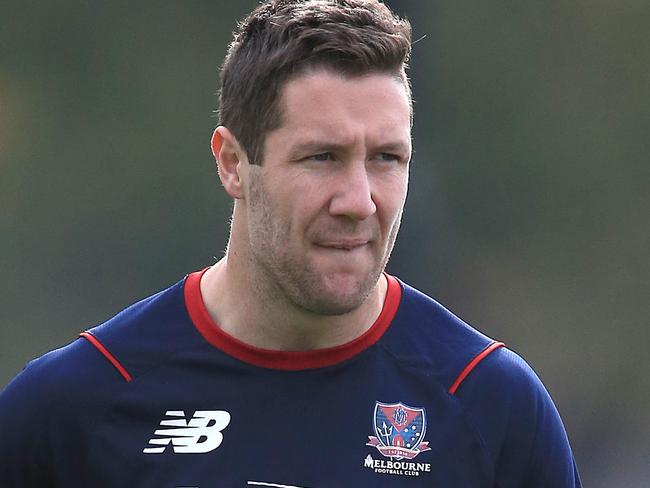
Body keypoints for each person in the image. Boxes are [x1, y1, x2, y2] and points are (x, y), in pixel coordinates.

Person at [0, 0, 581, 486]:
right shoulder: (71, 410)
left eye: (386, 158)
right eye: (321, 157)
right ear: (233, 164)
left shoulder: (490, 406)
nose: (359, 200)